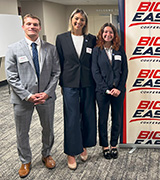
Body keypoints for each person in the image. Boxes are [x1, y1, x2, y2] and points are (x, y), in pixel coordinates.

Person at [5, 14, 60, 178]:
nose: (32, 27)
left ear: (40, 27)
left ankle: (46, 154)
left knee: (48, 128)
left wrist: (47, 93)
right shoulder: (13, 49)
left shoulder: (51, 48)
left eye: (35, 24)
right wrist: (27, 95)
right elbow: (11, 77)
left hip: (46, 98)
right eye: (28, 24)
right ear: (23, 27)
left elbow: (56, 73)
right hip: (23, 99)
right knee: (22, 132)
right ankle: (25, 160)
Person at [56, 8, 97, 170]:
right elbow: (58, 62)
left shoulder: (91, 39)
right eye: (76, 18)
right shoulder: (61, 38)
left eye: (82, 19)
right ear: (71, 19)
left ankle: (84, 145)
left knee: (87, 115)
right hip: (69, 84)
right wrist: (61, 84)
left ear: (85, 22)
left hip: (88, 83)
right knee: (72, 118)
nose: (79, 22)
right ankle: (71, 152)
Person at [92, 23, 128, 159]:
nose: (108, 35)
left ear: (114, 35)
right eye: (105, 32)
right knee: (103, 119)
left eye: (111, 32)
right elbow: (95, 72)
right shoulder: (97, 50)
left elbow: (124, 70)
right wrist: (106, 89)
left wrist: (119, 88)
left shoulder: (119, 50)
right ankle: (105, 146)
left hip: (118, 91)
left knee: (117, 118)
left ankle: (114, 145)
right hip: (102, 92)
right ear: (101, 34)